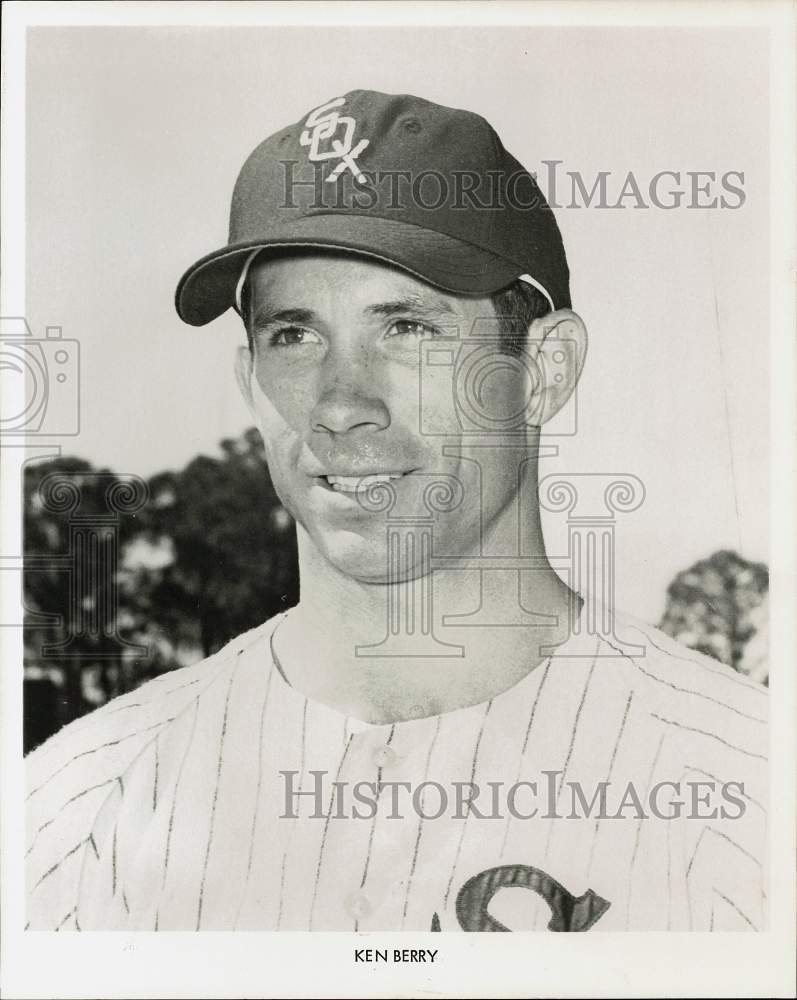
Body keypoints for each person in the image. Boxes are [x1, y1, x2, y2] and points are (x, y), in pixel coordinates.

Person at [26, 90, 767, 932]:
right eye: (293, 336)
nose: (341, 406)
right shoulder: (77, 814)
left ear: (545, 370)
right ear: (250, 384)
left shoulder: (748, 793)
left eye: (409, 328)